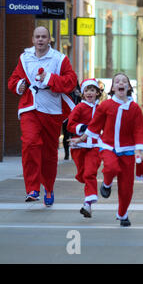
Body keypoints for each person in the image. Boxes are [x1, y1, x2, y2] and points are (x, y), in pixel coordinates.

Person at [7, 26, 77, 206]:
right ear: (32, 39)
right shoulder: (25, 57)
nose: (40, 40)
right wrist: (19, 85)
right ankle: (32, 188)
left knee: (48, 153)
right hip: (29, 107)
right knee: (30, 143)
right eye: (37, 36)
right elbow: (13, 80)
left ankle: (49, 187)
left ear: (49, 40)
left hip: (51, 109)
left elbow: (71, 81)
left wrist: (49, 78)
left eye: (43, 37)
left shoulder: (59, 59)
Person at [71, 73, 143, 227]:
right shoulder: (106, 106)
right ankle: (106, 184)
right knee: (111, 167)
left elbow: (139, 130)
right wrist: (81, 138)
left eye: (124, 81)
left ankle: (122, 214)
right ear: (113, 87)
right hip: (108, 147)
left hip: (127, 151)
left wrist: (139, 150)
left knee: (127, 188)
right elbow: (94, 126)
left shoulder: (135, 109)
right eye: (117, 81)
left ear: (128, 87)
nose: (121, 83)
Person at [67, 79, 102, 218]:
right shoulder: (79, 108)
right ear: (82, 93)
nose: (89, 93)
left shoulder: (101, 109)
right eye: (87, 90)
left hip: (94, 147)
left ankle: (88, 203)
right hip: (78, 146)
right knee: (82, 175)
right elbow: (70, 125)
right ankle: (85, 182)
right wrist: (82, 128)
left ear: (97, 93)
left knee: (89, 173)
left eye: (92, 90)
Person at [62, 83, 82, 160]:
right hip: (66, 116)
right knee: (66, 135)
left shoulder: (78, 91)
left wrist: (79, 94)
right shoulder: (65, 91)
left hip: (76, 117)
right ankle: (66, 153)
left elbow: (82, 100)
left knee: (74, 134)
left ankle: (74, 152)